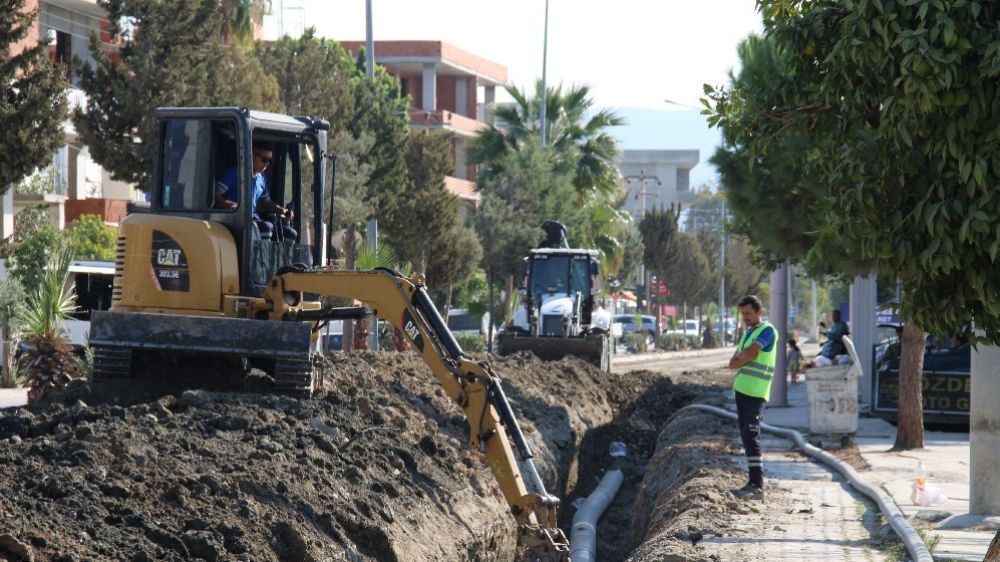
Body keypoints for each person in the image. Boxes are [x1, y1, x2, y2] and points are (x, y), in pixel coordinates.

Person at [727, 295, 779, 500]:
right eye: (743, 314)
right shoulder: (748, 334)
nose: (745, 318)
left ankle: (757, 484)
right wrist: (742, 357)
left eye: (748, 313)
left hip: (756, 392)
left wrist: (743, 357)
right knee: (746, 439)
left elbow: (749, 355)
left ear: (759, 311)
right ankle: (751, 481)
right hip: (742, 391)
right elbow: (733, 361)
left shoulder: (767, 331)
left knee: (751, 436)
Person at [214, 141, 297, 240]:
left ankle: (286, 256)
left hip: (253, 219)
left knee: (290, 233)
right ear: (252, 155)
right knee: (266, 227)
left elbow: (266, 203)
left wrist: (282, 210)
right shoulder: (234, 173)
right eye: (264, 159)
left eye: (270, 161)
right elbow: (215, 195)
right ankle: (260, 256)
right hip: (234, 220)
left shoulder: (261, 178)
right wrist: (232, 206)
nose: (267, 164)